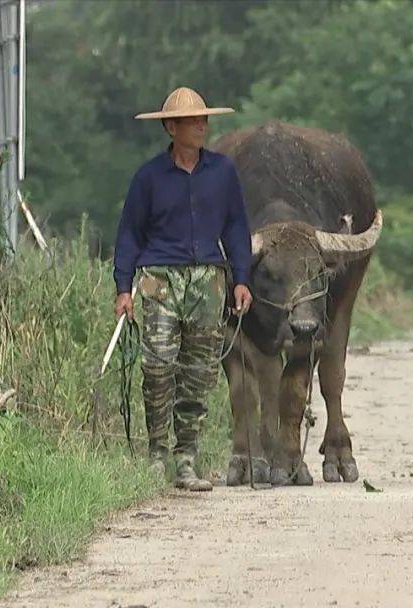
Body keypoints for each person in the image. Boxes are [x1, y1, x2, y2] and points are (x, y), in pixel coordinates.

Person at [113, 87, 253, 491]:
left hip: (208, 279)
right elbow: (129, 234)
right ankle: (157, 454)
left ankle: (186, 459)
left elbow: (236, 227)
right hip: (159, 278)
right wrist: (124, 288)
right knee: (157, 367)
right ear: (171, 128)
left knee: (199, 372)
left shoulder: (222, 172)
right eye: (193, 121)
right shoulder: (148, 178)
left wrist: (241, 279)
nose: (201, 126)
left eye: (203, 119)